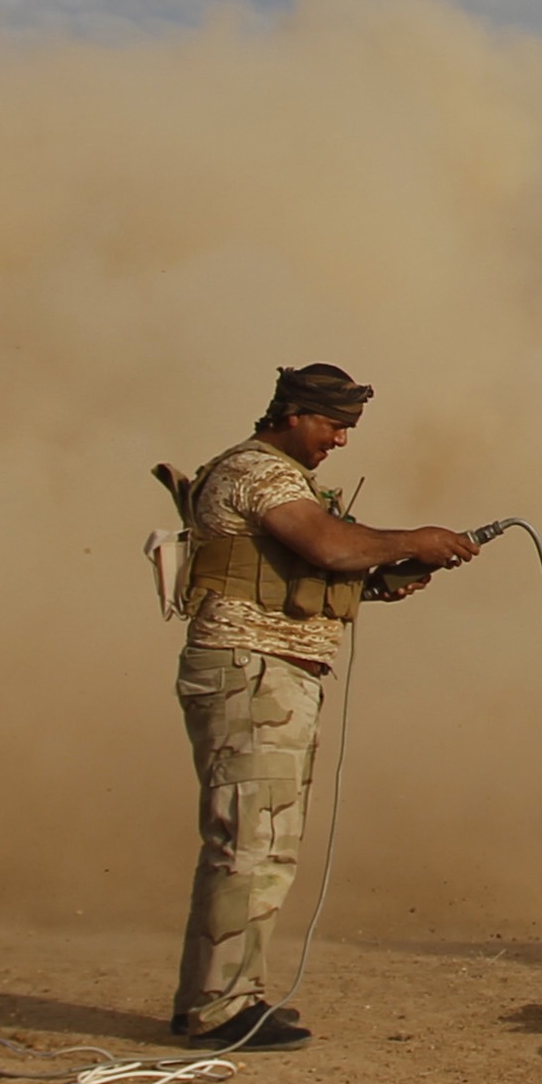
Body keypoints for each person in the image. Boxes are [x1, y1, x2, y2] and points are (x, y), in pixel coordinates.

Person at [168, 363, 479, 1048]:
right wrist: (415, 539)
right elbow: (331, 546)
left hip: (275, 673)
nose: (340, 440)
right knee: (251, 843)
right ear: (294, 414)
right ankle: (219, 1007)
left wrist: (381, 582)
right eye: (333, 425)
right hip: (251, 670)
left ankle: (225, 993)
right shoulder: (259, 471)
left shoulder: (284, 479)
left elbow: (307, 572)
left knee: (261, 842)